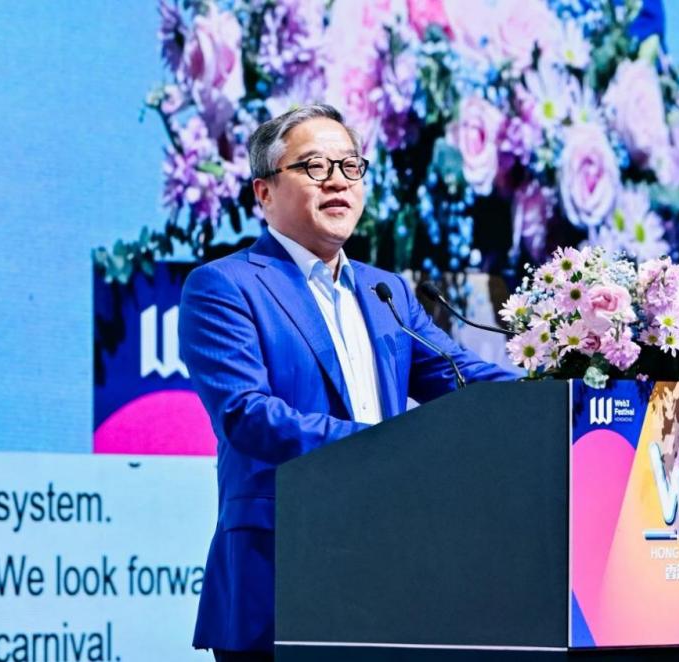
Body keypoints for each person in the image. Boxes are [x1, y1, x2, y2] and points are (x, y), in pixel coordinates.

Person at [178, 103, 515, 661]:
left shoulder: (387, 292)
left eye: (350, 166)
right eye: (314, 166)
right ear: (264, 192)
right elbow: (247, 415)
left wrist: (566, 393)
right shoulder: (224, 286)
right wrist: (386, 448)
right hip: (282, 573)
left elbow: (461, 376)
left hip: (390, 571)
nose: (337, 181)